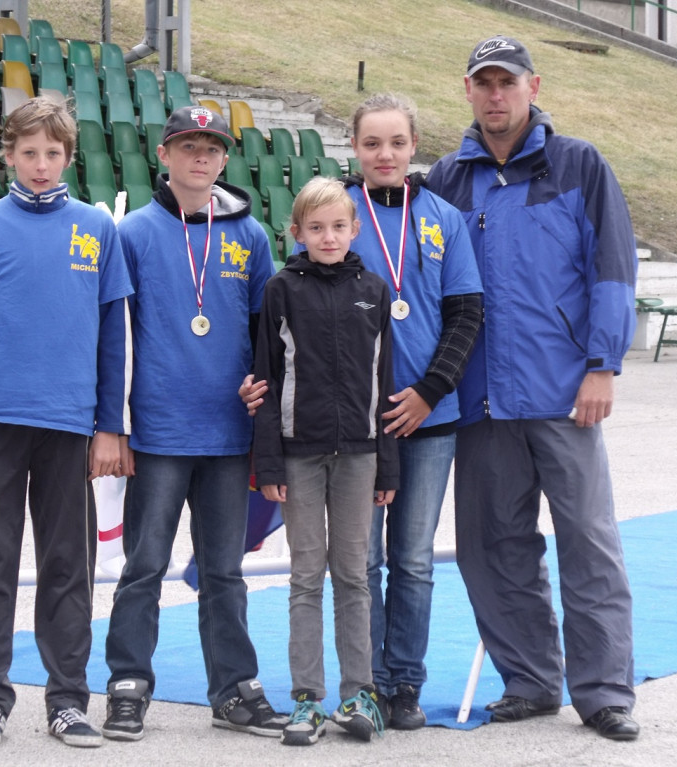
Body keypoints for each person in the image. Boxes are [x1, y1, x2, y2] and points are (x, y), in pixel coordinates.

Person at [242, 93, 483, 729]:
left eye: (397, 142)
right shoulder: (338, 212)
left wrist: (430, 390)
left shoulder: (443, 218)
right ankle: (365, 686)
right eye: (372, 143)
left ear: (414, 146)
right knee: (360, 563)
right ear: (354, 146)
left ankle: (403, 684)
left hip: (428, 416)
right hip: (355, 423)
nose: (385, 154)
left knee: (413, 561)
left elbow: (466, 313)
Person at [425, 35, 641, 741]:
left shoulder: (578, 164)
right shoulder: (446, 180)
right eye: (483, 83)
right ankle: (530, 680)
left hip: (564, 395)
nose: (496, 95)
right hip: (479, 398)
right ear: (467, 90)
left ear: (533, 87)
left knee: (589, 544)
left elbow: (612, 268)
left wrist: (602, 364)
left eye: (507, 82)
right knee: (492, 548)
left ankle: (603, 693)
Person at [0, 96, 133, 749]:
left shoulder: (96, 228)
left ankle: (68, 699)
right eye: (29, 153)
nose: (41, 164)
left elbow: (113, 338)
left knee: (68, 565)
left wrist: (110, 427)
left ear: (69, 156)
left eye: (52, 153)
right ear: (9, 156)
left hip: (70, 424)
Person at [102, 105, 286, 742]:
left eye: (211, 147)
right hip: (158, 433)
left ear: (225, 158)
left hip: (229, 434)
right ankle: (128, 687)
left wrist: (266, 405)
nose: (200, 157)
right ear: (164, 155)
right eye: (187, 146)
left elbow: (268, 334)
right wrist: (114, 425)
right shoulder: (134, 233)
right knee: (144, 566)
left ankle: (234, 691)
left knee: (224, 572)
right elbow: (114, 336)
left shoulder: (250, 236)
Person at [253, 177, 398, 745]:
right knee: (306, 577)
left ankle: (359, 694)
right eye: (316, 228)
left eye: (338, 226)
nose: (328, 236)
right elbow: (266, 379)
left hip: (361, 455)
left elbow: (385, 381)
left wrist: (388, 464)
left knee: (354, 575)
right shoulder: (280, 290)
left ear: (355, 229)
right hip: (299, 456)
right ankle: (307, 699)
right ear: (297, 232)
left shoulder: (374, 291)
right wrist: (269, 463)